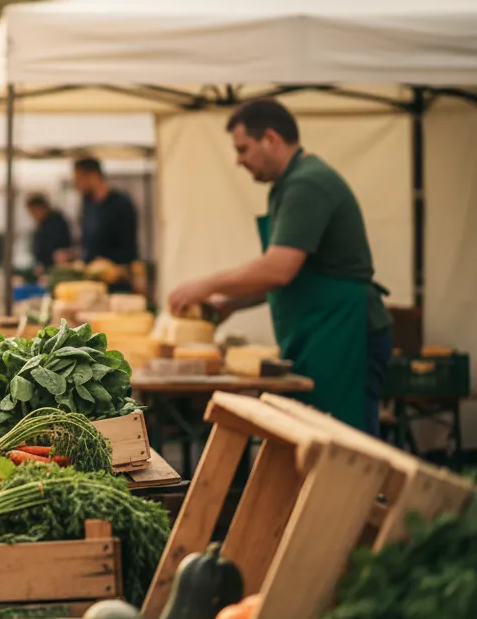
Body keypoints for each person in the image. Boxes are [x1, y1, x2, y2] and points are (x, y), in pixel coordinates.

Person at [168, 99, 392, 435]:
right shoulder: (287, 185)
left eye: (243, 149)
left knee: (347, 448)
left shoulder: (307, 184)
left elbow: (278, 269)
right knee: (317, 443)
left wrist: (207, 284)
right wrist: (231, 304)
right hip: (321, 333)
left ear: (270, 139)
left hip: (346, 333)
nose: (238, 161)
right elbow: (293, 275)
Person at [73, 157, 139, 266]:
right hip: (92, 273)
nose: (76, 185)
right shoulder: (88, 204)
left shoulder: (120, 204)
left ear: (92, 175)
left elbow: (128, 249)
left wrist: (105, 261)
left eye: (78, 179)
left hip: (116, 275)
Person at [26, 193, 73, 276]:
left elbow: (59, 249)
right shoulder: (41, 225)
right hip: (44, 268)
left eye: (33, 212)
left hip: (57, 269)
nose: (32, 216)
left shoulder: (57, 223)